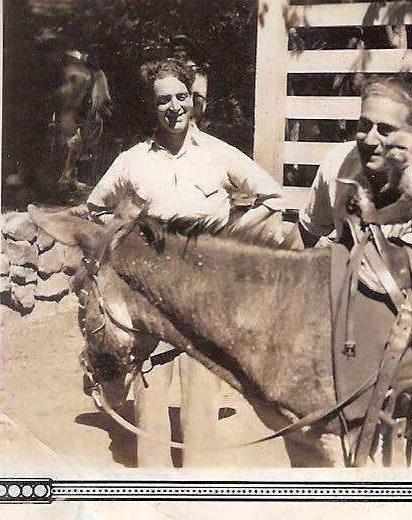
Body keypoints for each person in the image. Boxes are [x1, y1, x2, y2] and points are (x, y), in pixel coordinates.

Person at [85, 57, 286, 467]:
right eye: (163, 100)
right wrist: (129, 241)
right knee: (150, 384)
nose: (173, 107)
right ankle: (153, 479)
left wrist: (227, 237)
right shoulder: (133, 160)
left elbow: (273, 198)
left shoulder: (218, 154)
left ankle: (199, 479)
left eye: (181, 97)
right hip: (151, 292)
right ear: (152, 105)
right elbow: (95, 208)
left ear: (192, 100)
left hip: (204, 291)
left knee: (202, 388)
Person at [297, 75, 412, 248]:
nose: (370, 140)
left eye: (386, 130)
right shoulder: (338, 161)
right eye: (364, 126)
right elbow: (305, 235)